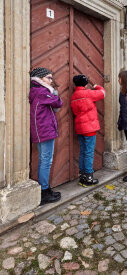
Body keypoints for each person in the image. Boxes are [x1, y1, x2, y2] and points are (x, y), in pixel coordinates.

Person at [29, 67, 63, 205]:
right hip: (45, 131)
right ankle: (44, 191)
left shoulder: (36, 91)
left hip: (42, 130)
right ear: (40, 78)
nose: (51, 80)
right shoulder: (42, 91)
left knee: (44, 160)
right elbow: (58, 102)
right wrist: (54, 92)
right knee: (46, 161)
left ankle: (45, 189)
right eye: (48, 77)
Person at [71, 74, 105, 187]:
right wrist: (97, 86)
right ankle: (89, 177)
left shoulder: (74, 95)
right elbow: (102, 93)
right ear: (85, 83)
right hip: (89, 128)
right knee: (89, 152)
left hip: (80, 128)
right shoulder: (88, 93)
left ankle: (82, 175)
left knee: (83, 151)